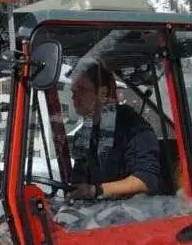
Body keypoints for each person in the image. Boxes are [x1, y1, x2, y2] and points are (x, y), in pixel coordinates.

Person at [68, 59, 161, 200]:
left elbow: (146, 180)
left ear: (103, 93)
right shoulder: (84, 134)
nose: (74, 96)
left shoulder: (132, 127)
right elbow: (78, 178)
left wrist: (96, 190)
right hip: (100, 212)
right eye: (73, 91)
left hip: (138, 213)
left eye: (82, 90)